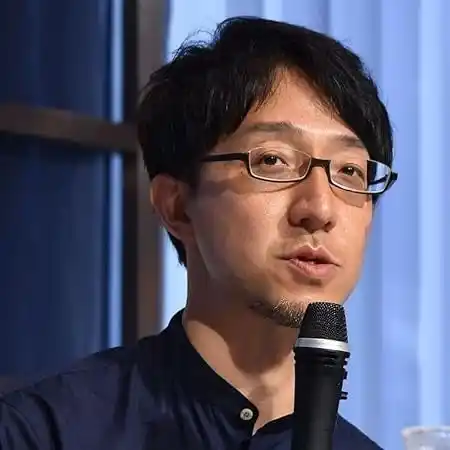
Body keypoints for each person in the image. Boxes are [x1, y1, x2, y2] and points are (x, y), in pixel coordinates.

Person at [0, 16, 397, 450]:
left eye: (350, 171)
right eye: (273, 161)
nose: (319, 209)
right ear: (176, 206)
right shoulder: (44, 432)